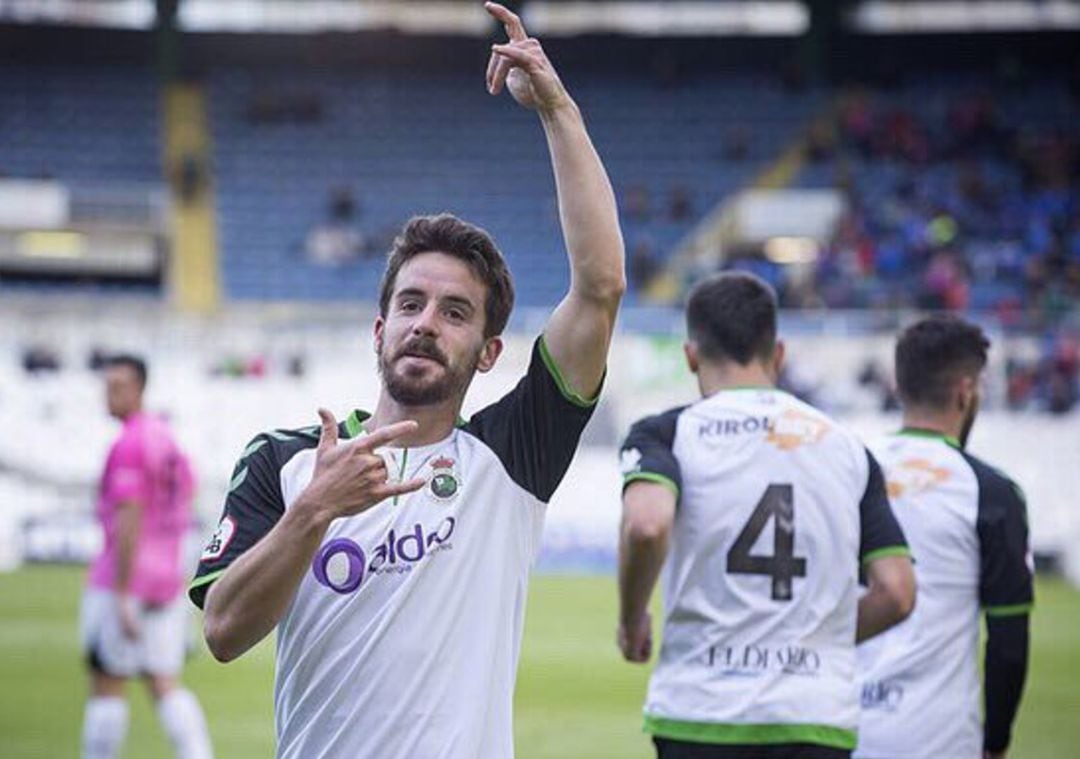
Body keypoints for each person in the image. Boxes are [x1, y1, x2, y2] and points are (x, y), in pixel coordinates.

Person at [187, 4, 625, 758]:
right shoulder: (285, 462)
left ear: (489, 352)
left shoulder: (513, 455)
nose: (426, 322)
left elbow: (600, 286)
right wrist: (314, 510)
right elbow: (223, 632)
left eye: (456, 313)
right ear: (379, 328)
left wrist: (557, 109)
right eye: (410, 303)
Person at [617, 272, 915, 759]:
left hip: (701, 714)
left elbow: (647, 525)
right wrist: (817, 639)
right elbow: (898, 592)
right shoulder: (848, 449)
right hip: (814, 715)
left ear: (691, 355)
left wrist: (632, 619)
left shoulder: (668, 433)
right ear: (778, 354)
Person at [856, 316, 1033, 759]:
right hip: (936, 739)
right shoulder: (991, 492)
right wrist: (996, 742)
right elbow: (1008, 639)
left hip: (838, 729)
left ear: (898, 385)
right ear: (966, 391)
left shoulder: (846, 469)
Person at [81, 354, 213, 759]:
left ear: (139, 389)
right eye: (107, 385)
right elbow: (187, 495)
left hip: (126, 579)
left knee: (107, 681)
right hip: (166, 577)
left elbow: (130, 514)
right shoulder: (167, 439)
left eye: (118, 386)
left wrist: (122, 591)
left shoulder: (130, 443)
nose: (109, 393)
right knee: (163, 680)